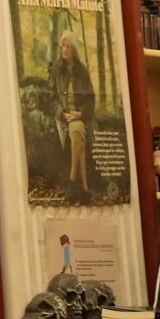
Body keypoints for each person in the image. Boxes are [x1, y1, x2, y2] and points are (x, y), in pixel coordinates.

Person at [49, 30, 95, 197]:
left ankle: (72, 180)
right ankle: (84, 186)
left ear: (74, 49)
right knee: (79, 142)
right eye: (62, 46)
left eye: (68, 46)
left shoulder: (82, 71)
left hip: (78, 117)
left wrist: (80, 114)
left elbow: (91, 100)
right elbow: (52, 98)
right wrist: (62, 113)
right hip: (63, 117)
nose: (65, 50)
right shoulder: (56, 70)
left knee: (76, 131)